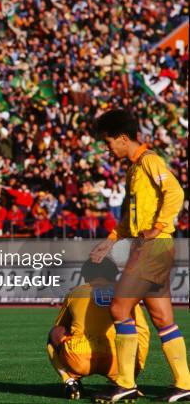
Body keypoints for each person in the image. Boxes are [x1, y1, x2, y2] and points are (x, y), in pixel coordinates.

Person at [90, 109, 189, 402]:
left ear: (122, 138)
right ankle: (184, 384)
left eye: (108, 142)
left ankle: (125, 382)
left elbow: (176, 193)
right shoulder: (134, 167)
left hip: (152, 247)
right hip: (155, 247)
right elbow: (128, 220)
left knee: (120, 309)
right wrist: (109, 241)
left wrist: (157, 227)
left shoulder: (149, 161)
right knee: (162, 318)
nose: (106, 148)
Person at [47, 258, 150, 400]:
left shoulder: (75, 293)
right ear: (113, 274)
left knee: (53, 334)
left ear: (86, 275)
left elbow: (60, 328)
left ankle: (69, 381)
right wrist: (136, 368)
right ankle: (125, 385)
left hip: (80, 358)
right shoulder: (125, 295)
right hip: (116, 362)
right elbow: (143, 330)